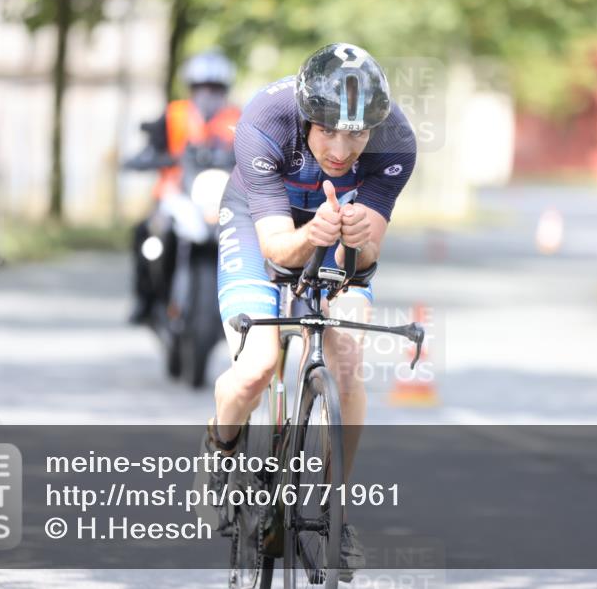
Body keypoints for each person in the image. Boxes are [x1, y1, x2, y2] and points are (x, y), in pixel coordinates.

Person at [208, 43, 416, 576]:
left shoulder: (396, 141)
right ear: (306, 118)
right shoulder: (265, 118)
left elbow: (366, 257)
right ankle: (220, 444)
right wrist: (311, 235)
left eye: (357, 134)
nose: (343, 149)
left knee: (346, 357)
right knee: (256, 366)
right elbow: (278, 248)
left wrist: (353, 236)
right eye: (328, 131)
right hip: (263, 223)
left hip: (336, 224)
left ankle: (336, 511)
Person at [127, 50, 241, 324]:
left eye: (215, 88)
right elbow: (151, 146)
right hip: (176, 194)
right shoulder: (174, 114)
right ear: (191, 88)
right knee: (147, 234)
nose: (207, 94)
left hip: (220, 196)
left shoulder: (239, 117)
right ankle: (146, 298)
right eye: (201, 87)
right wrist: (147, 158)